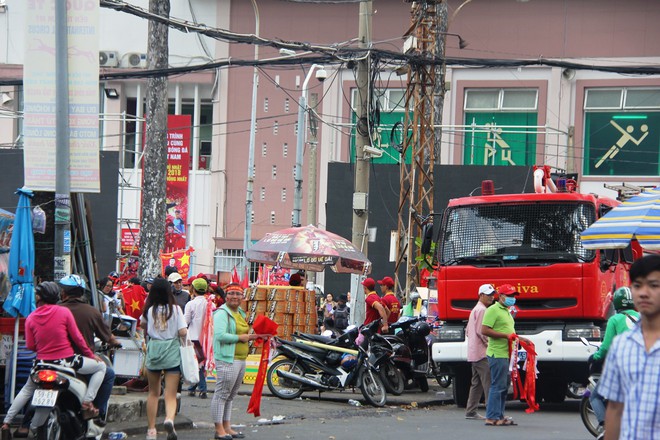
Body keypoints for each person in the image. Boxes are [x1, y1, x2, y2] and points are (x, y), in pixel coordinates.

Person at [1, 282, 107, 436]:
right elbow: (77, 338)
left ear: (38, 297)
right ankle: (86, 402)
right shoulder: (63, 312)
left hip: (41, 365)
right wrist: (91, 355)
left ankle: (7, 422)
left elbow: (31, 346)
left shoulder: (31, 317)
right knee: (101, 367)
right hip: (67, 362)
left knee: (25, 391)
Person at [598, 255, 660, 440]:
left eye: (653, 285)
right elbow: (615, 408)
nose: (643, 293)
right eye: (638, 285)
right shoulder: (621, 346)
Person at [58, 274, 121, 423]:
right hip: (79, 362)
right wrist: (116, 343)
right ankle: (96, 413)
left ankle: (23, 424)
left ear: (64, 293)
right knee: (109, 373)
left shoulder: (54, 310)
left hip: (52, 360)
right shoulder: (91, 312)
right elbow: (108, 337)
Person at [212, 283, 266, 439]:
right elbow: (219, 336)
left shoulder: (240, 313)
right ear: (226, 296)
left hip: (241, 359)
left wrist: (255, 337)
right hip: (227, 358)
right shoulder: (222, 313)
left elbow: (246, 334)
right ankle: (219, 429)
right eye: (231, 293)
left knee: (230, 395)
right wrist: (241, 338)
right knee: (222, 394)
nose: (235, 297)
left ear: (243, 297)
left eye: (238, 294)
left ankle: (227, 426)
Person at [141, 278, 187, 440]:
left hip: (154, 351)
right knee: (170, 393)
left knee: (153, 393)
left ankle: (151, 431)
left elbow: (143, 327)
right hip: (171, 352)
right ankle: (169, 419)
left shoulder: (149, 309)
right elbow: (182, 332)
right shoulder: (175, 310)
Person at [588, 286, 640, 432]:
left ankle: (606, 429)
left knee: (595, 397)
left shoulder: (615, 319)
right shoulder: (641, 317)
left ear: (616, 303)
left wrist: (595, 357)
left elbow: (605, 347)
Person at [481, 283, 530, 426]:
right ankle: (491, 417)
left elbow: (510, 333)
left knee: (503, 385)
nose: (512, 298)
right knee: (497, 385)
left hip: (507, 354)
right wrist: (505, 336)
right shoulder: (493, 310)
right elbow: (484, 330)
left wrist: (521, 339)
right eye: (509, 295)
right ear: (501, 296)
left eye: (514, 295)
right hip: (498, 353)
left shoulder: (506, 311)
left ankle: (499, 416)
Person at [464, 283, 496, 420]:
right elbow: (482, 331)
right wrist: (489, 344)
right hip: (482, 353)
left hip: (473, 352)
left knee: (476, 383)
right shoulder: (482, 310)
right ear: (481, 295)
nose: (492, 297)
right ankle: (492, 412)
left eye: (492, 294)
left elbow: (468, 331)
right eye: (488, 295)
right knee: (489, 382)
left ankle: (471, 411)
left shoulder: (475, 309)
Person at [184, 278, 209, 399]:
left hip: (193, 338)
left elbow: (186, 321)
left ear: (193, 289)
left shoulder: (191, 304)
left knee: (196, 364)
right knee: (200, 364)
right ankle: (192, 388)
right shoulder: (211, 303)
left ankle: (203, 389)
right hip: (207, 339)